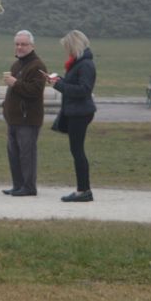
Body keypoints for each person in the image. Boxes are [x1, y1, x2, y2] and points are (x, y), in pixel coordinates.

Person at [49, 29, 97, 202]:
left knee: (78, 151)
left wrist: (59, 86)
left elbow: (84, 90)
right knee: (76, 150)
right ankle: (83, 189)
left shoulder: (85, 65)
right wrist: (59, 80)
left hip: (80, 112)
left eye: (68, 47)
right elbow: (74, 84)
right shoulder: (78, 63)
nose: (67, 51)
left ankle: (84, 190)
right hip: (76, 111)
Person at [1, 30, 48, 197]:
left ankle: (29, 187)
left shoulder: (38, 66)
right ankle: (17, 185)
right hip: (13, 119)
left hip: (28, 119)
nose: (19, 47)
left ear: (32, 46)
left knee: (27, 155)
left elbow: (35, 91)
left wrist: (16, 83)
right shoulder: (17, 64)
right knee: (14, 154)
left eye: (23, 44)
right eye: (17, 44)